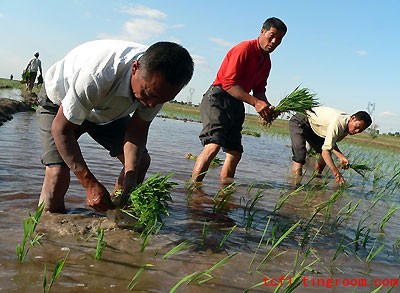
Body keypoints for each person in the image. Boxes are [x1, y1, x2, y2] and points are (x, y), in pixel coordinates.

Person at [36, 40, 194, 213]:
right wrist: (89, 183)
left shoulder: (158, 89)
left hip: (105, 111)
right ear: (135, 68)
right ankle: (47, 229)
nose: (151, 104)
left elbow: (137, 132)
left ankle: (114, 217)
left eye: (162, 100)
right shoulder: (99, 75)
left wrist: (130, 178)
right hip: (59, 102)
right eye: (149, 95)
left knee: (139, 162)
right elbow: (61, 129)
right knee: (57, 173)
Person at [191, 17, 287, 185]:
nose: (274, 42)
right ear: (262, 32)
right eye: (271, 36)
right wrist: (255, 103)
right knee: (213, 145)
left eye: (279, 39)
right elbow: (229, 84)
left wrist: (267, 106)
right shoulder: (244, 49)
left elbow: (259, 90)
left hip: (237, 102)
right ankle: (193, 191)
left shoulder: (266, 62)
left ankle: (224, 194)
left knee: (235, 152)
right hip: (218, 97)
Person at [289, 107, 372, 185]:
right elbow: (326, 151)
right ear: (353, 118)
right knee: (300, 156)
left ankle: (316, 179)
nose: (356, 131)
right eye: (357, 127)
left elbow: (330, 143)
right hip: (301, 121)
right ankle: (295, 185)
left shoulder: (348, 127)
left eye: (360, 130)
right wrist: (336, 173)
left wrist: (340, 156)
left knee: (323, 155)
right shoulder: (338, 123)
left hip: (314, 128)